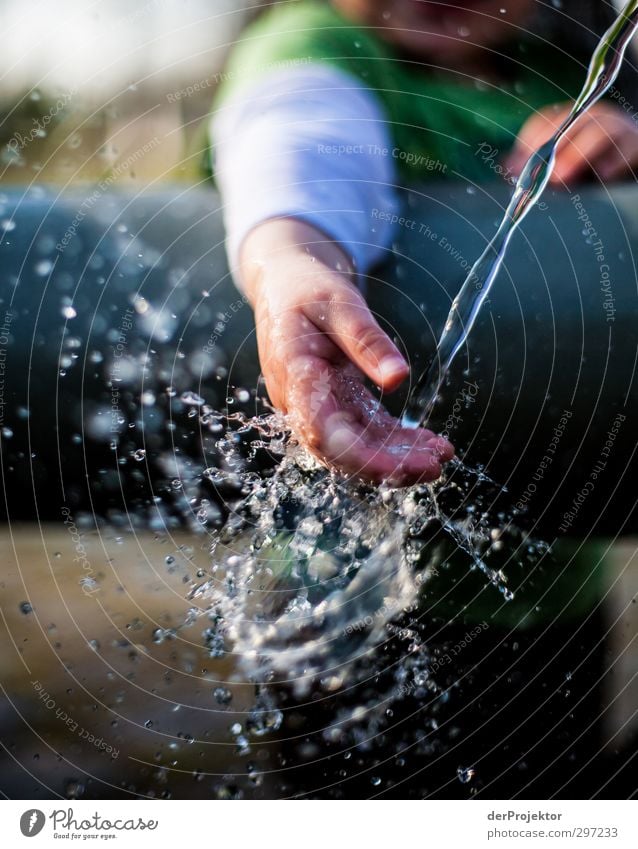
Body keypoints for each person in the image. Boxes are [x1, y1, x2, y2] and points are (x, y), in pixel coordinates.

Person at [210, 0, 638, 485]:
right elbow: (298, 145)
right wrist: (294, 265)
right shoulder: (312, 42)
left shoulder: (570, 65)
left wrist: (625, 142)